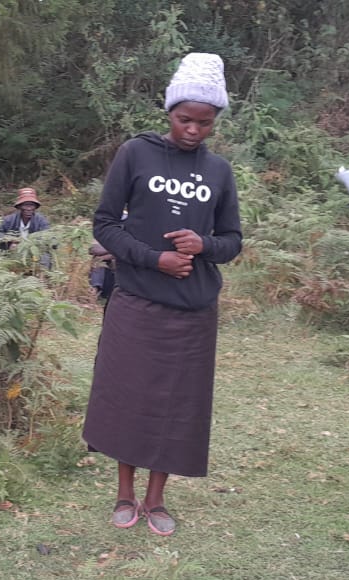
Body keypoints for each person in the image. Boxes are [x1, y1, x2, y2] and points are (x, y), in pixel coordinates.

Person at [82, 52, 243, 536]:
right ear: (169, 112)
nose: (193, 130)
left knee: (176, 406)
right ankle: (125, 493)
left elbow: (233, 241)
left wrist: (204, 244)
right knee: (129, 399)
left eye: (205, 122)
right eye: (184, 119)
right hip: (136, 300)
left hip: (192, 311)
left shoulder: (219, 172)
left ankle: (157, 499)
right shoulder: (137, 153)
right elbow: (105, 225)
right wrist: (156, 259)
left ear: (216, 121)